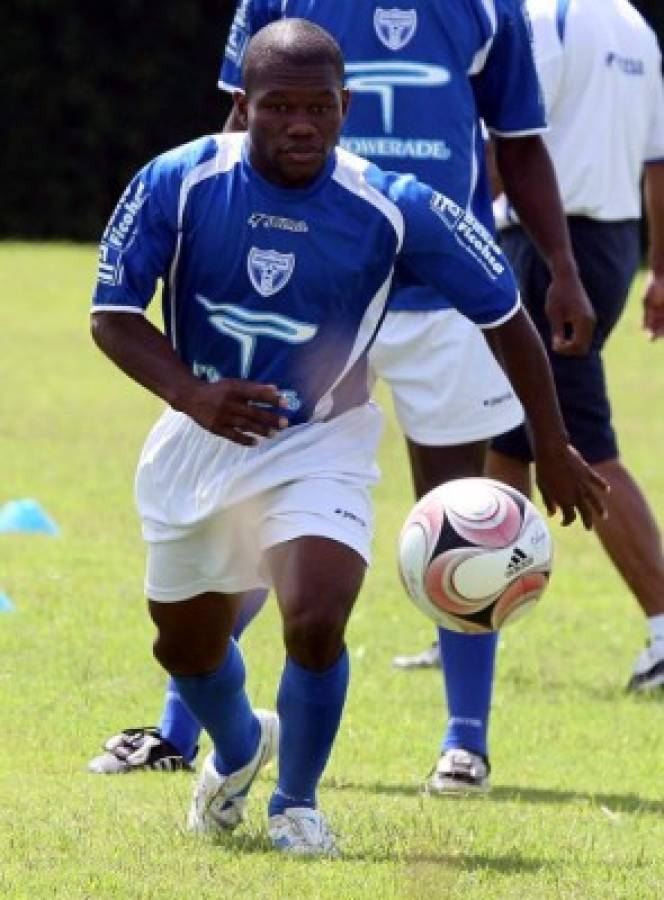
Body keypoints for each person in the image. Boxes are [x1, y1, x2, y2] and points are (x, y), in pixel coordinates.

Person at [90, 19, 607, 854]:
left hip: (319, 440)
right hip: (197, 441)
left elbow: (505, 313)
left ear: (347, 106)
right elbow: (111, 316)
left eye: (320, 108)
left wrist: (550, 441)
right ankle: (239, 747)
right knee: (185, 646)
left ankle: (297, 804)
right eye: (279, 107)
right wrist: (192, 394)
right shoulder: (177, 182)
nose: (302, 125)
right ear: (244, 107)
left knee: (316, 614)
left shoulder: (391, 205)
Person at [488, 0, 664, 691]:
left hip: (550, 250)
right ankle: (469, 622)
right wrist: (661, 268)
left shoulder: (538, 17)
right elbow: (658, 158)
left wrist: (454, 227)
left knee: (581, 442)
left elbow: (513, 142)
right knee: (505, 436)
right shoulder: (632, 23)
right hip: (615, 244)